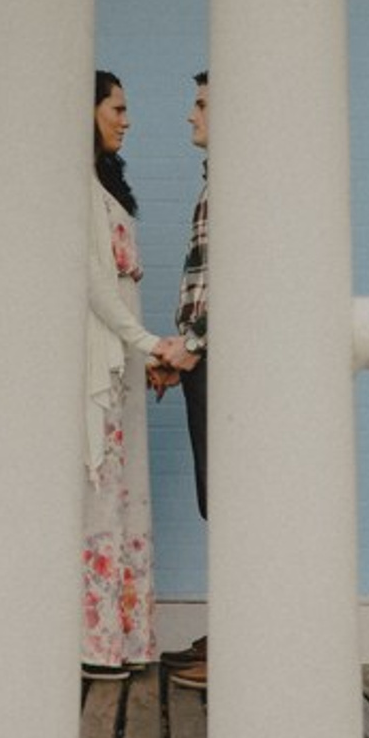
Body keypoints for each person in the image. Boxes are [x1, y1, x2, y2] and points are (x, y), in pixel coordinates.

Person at [84, 69, 183, 680]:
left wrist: (145, 354)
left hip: (124, 364)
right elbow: (93, 282)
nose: (127, 119)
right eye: (116, 108)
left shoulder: (107, 185)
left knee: (125, 496)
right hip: (99, 361)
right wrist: (148, 342)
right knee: (98, 497)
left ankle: (124, 640)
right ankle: (94, 644)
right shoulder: (75, 188)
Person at [159, 71, 211, 691]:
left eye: (201, 105)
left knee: (233, 497)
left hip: (222, 361)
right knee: (218, 497)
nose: (190, 116)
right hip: (205, 358)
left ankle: (243, 642)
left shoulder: (242, 185)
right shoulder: (216, 183)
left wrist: (188, 348)